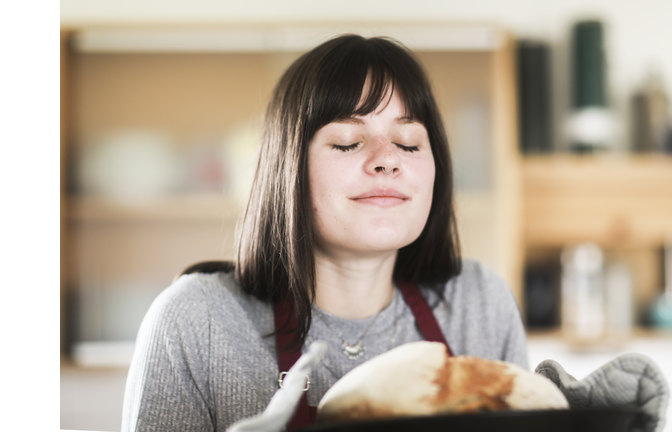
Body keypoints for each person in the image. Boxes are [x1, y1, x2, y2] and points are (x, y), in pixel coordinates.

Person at [121, 34, 527, 432]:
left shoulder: (480, 303)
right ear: (289, 167)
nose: (388, 159)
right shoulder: (196, 321)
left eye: (408, 143)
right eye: (348, 142)